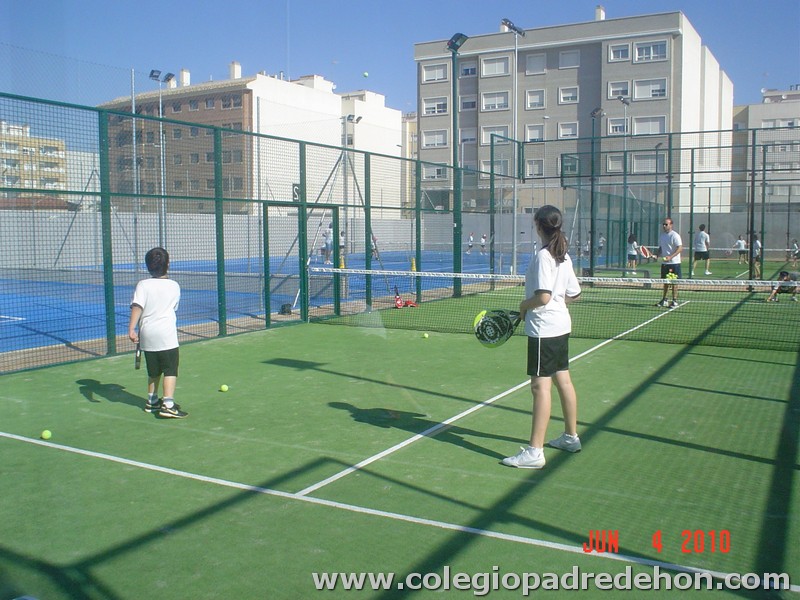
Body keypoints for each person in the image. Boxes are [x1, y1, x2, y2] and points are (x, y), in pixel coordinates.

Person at [502, 205, 582, 469]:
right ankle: (571, 437)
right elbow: (574, 293)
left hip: (544, 329)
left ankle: (535, 452)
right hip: (560, 325)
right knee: (563, 381)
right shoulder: (564, 256)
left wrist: (524, 306)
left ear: (538, 226)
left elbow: (543, 296)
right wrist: (559, 303)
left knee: (540, 387)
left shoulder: (544, 257)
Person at [128, 247, 187, 418]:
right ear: (168, 264)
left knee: (153, 371)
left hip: (146, 334)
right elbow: (173, 307)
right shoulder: (174, 286)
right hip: (166, 335)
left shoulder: (142, 285)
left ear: (148, 266)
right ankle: (168, 404)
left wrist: (131, 329)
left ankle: (152, 401)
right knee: (170, 370)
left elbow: (137, 306)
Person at [654, 217, 682, 308]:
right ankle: (665, 300)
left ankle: (674, 301)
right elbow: (661, 248)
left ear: (671, 225)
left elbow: (680, 248)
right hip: (665, 264)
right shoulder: (662, 235)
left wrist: (671, 257)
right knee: (665, 282)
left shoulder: (675, 235)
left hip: (674, 263)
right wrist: (657, 255)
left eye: (666, 224)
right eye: (663, 224)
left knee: (674, 282)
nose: (664, 226)